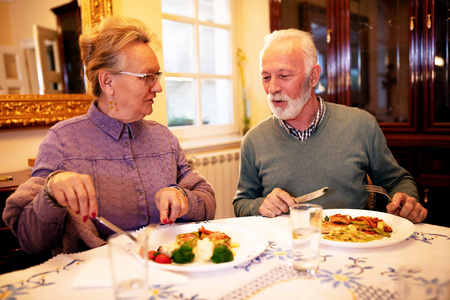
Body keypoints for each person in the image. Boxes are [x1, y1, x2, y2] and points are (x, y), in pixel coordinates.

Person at [2, 16, 215, 255]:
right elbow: (30, 241)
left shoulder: (163, 138)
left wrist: (182, 195)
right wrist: (51, 193)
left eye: (157, 75)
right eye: (147, 77)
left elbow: (207, 201)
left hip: (165, 272)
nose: (157, 87)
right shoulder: (62, 141)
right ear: (107, 81)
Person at [233, 29, 427, 224]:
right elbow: (242, 202)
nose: (272, 88)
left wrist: (407, 200)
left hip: (353, 243)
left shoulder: (361, 125)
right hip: (286, 249)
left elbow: (398, 181)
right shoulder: (253, 140)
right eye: (266, 77)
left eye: (284, 75)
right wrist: (259, 205)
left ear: (313, 76)